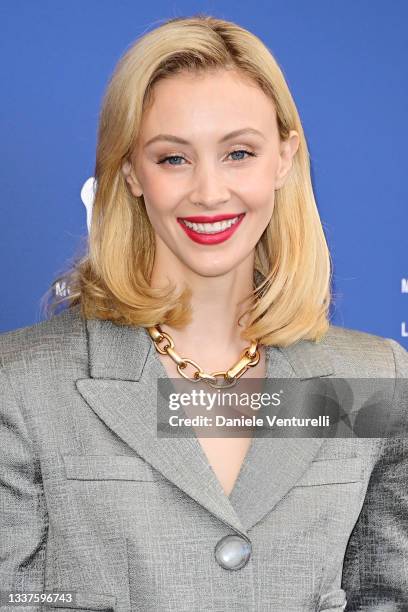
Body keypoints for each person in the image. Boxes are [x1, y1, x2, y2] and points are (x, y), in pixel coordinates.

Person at [0, 14, 407, 612]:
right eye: (173, 159)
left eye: (239, 152)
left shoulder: (374, 383)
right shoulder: (20, 386)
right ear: (132, 172)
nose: (210, 192)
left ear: (285, 158)